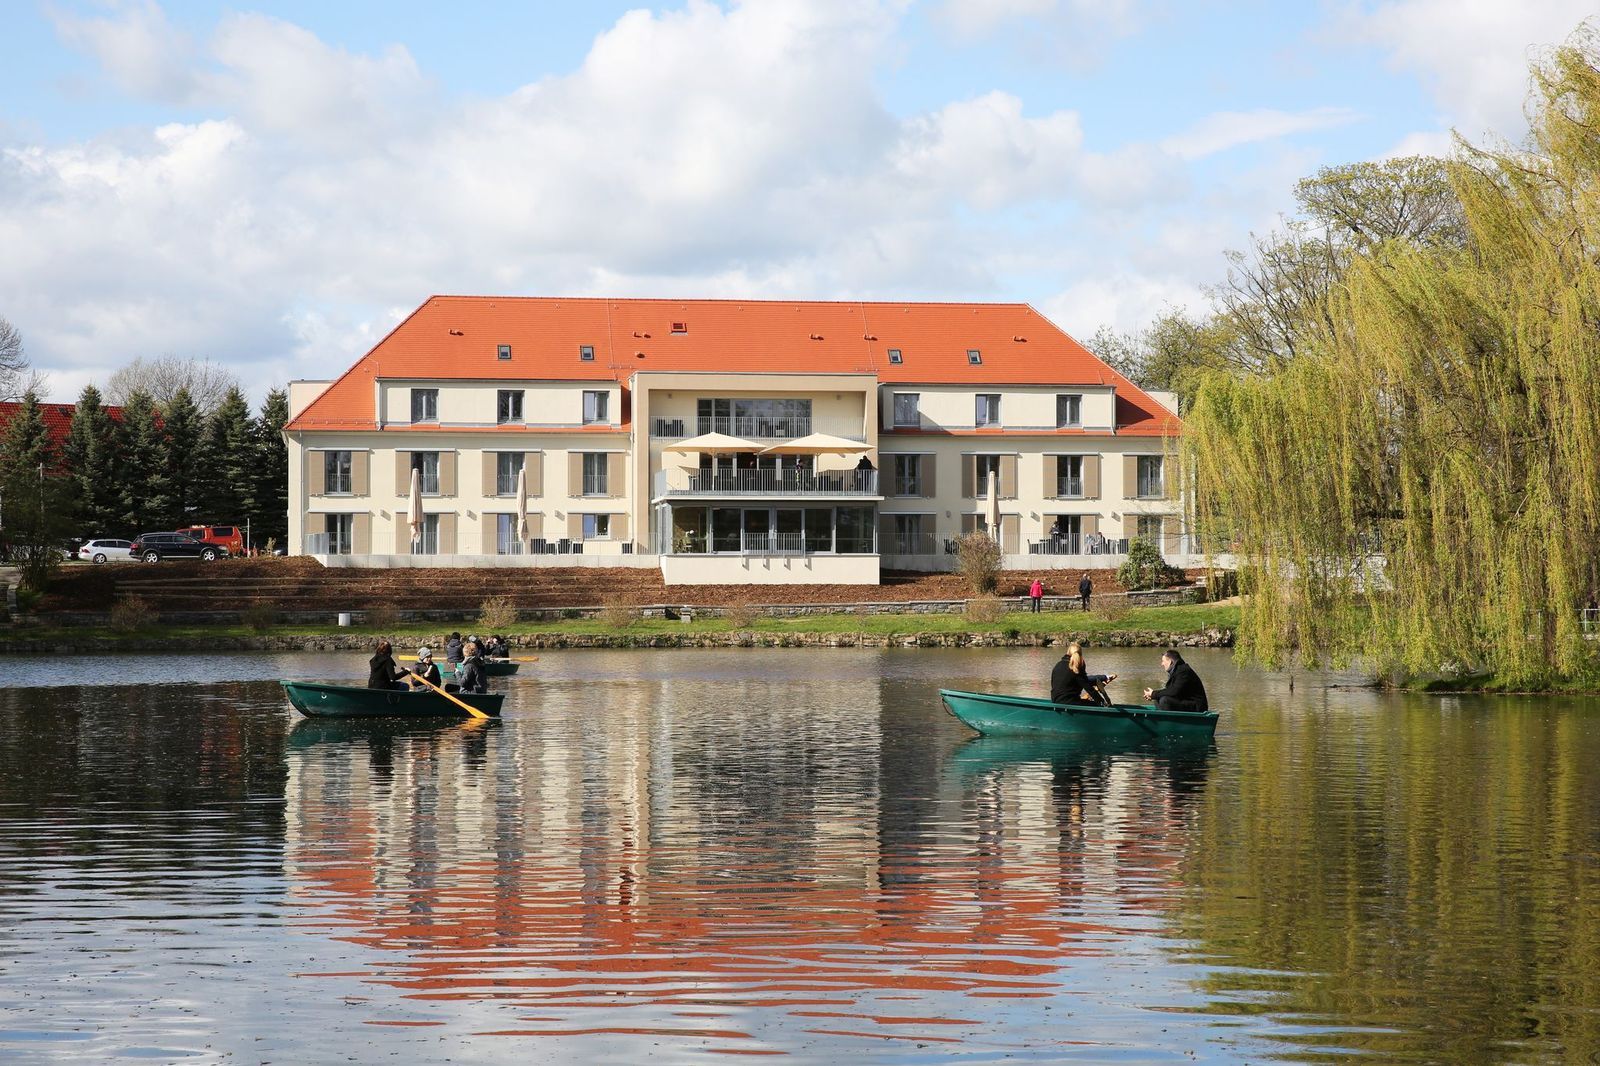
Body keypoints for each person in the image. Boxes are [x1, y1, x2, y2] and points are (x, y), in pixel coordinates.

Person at [1144, 648, 1209, 713]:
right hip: (1188, 703)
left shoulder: (1183, 671)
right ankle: (1164, 721)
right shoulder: (1177, 671)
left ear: (1170, 662)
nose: (1162, 664)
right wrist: (1154, 695)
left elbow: (1174, 691)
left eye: (1163, 661)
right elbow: (1170, 691)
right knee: (1158, 699)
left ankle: (1170, 722)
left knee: (1165, 700)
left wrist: (1153, 694)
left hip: (1197, 707)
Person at [1051, 642, 1116, 705]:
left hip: (1055, 700)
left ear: (1067, 652)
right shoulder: (1075, 667)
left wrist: (1103, 677)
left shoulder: (1058, 665)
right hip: (1069, 702)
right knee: (1094, 704)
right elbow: (1088, 688)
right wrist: (1102, 702)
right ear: (1080, 654)